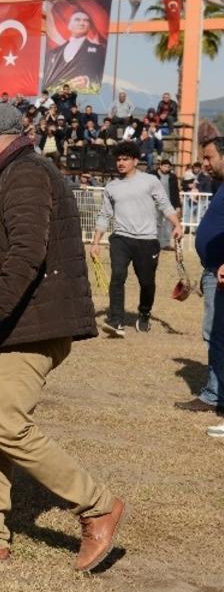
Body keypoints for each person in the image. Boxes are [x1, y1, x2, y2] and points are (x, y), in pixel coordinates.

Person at [0, 103, 124, 571]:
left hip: (29, 325)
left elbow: (27, 251)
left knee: (5, 426)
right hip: (16, 325)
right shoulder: (15, 171)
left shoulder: (26, 174)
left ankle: (98, 506)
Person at [91, 142, 182, 336]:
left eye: (125, 159)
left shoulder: (150, 181)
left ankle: (144, 313)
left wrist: (177, 225)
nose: (120, 163)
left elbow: (165, 204)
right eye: (118, 159)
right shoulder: (112, 187)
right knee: (117, 276)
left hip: (147, 240)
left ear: (135, 160)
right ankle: (116, 321)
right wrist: (96, 242)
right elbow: (104, 215)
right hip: (120, 238)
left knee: (147, 283)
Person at [176, 137, 224, 422]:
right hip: (213, 270)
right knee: (215, 334)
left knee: (216, 334)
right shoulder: (220, 186)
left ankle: (214, 396)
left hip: (220, 272)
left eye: (208, 158)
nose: (204, 164)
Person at [43, 12, 105, 93]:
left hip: (83, 94)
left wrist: (87, 81)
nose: (82, 23)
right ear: (69, 25)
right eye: (77, 20)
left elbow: (99, 73)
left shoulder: (99, 50)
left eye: (86, 20)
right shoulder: (55, 53)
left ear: (89, 26)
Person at [153, 157, 183, 249]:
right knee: (156, 223)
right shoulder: (152, 175)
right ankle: (155, 243)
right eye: (165, 166)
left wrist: (177, 205)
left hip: (168, 203)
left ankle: (165, 244)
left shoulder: (172, 177)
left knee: (168, 224)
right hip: (155, 203)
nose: (167, 168)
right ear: (160, 166)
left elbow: (175, 191)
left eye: (168, 167)